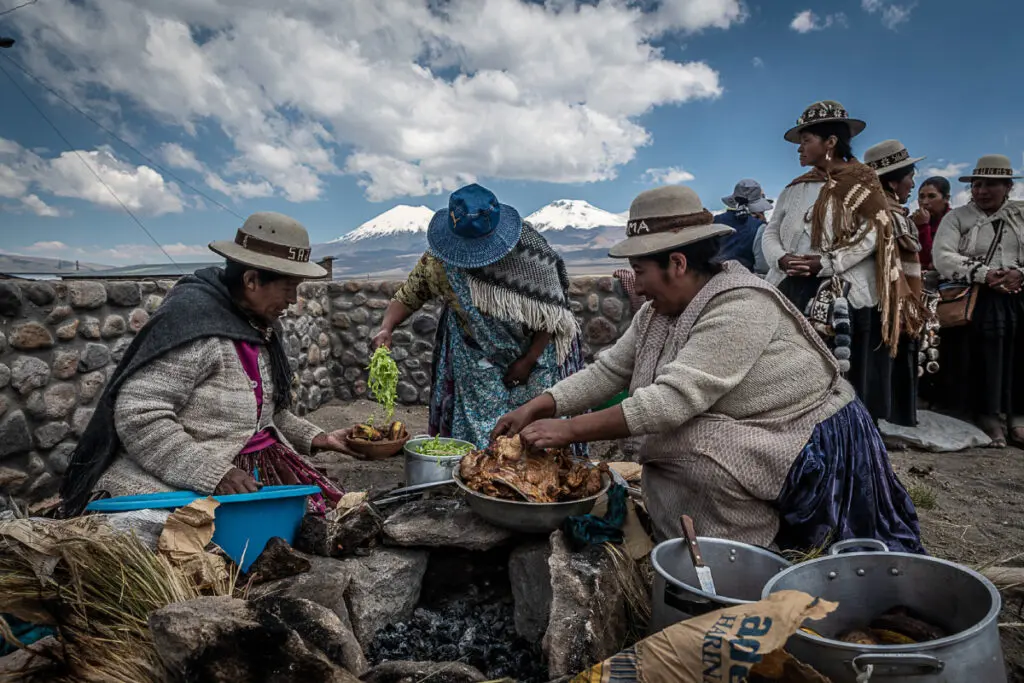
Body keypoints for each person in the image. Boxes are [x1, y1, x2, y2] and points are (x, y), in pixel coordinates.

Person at [493, 185, 923, 554]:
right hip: (758, 426)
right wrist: (541, 405)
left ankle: (739, 553)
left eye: (641, 272)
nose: (636, 285)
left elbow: (671, 401)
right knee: (675, 444)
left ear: (677, 263)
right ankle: (686, 542)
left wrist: (568, 431)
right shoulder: (657, 314)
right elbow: (609, 372)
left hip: (803, 436)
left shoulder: (741, 305)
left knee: (690, 447)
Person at [60, 212, 352, 517]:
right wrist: (214, 474)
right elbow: (139, 415)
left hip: (255, 464)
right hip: (201, 469)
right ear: (252, 280)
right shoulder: (194, 326)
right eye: (288, 287)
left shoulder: (258, 328)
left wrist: (322, 438)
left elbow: (265, 416)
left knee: (333, 518)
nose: (293, 299)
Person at [373, 183, 586, 452]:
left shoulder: (531, 255)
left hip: (535, 354)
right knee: (482, 434)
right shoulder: (438, 262)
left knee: (536, 432)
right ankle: (479, 478)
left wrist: (528, 360)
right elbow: (408, 296)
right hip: (475, 358)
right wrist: (386, 327)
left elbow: (553, 316)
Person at [762, 100, 919, 423]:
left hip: (846, 290)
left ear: (830, 142)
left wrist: (827, 264)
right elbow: (771, 230)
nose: (799, 149)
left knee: (848, 369)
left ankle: (853, 434)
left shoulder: (862, 183)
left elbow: (875, 231)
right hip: (793, 287)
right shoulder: (794, 190)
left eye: (806, 140)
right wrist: (781, 258)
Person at [931, 155, 1024, 447]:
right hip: (976, 299)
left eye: (991, 185)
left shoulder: (1021, 216)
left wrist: (1019, 274)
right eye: (977, 185)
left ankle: (1018, 415)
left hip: (1018, 296)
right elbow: (942, 256)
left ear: (1008, 186)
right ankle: (987, 414)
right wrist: (985, 274)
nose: (982, 191)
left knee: (1020, 353)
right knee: (986, 352)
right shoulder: (957, 217)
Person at [864, 139, 930, 427]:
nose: (912, 184)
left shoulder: (894, 213)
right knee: (882, 362)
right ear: (892, 183)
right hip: (888, 302)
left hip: (896, 301)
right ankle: (880, 422)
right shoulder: (883, 215)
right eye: (909, 177)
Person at [713, 179, 773, 271]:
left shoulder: (715, 221)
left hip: (711, 280)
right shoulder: (759, 228)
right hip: (745, 282)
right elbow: (763, 268)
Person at [912, 176, 953, 272]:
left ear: (946, 198)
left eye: (931, 196)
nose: (925, 202)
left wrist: (923, 227)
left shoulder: (955, 221)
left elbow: (934, 259)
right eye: (921, 197)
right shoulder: (912, 221)